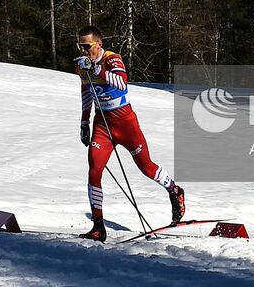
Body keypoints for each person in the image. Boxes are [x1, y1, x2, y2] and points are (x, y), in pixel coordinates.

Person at [75, 25, 185, 242]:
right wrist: (84, 121)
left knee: (146, 167)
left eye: (86, 46)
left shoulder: (112, 59)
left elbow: (122, 84)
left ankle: (175, 191)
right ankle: (98, 226)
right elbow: (86, 90)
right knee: (94, 171)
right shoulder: (81, 65)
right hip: (102, 124)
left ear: (99, 44)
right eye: (79, 46)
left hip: (125, 122)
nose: (83, 51)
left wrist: (97, 70)